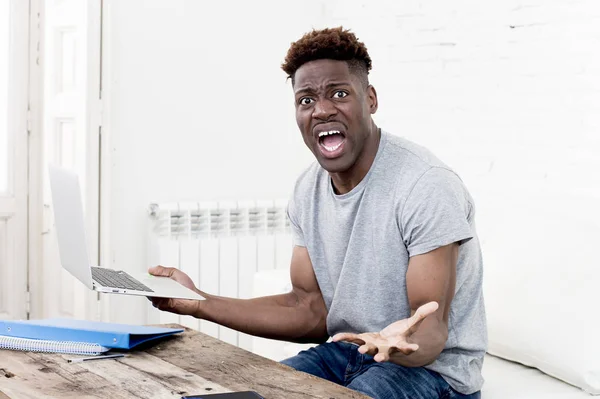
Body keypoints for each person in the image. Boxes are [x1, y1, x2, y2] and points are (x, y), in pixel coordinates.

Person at [149, 27, 487, 399]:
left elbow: (430, 327)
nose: (322, 109)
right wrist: (199, 302)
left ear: (370, 99)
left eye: (339, 94)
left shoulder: (424, 185)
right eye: (306, 100)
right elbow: (308, 309)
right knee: (242, 394)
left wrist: (398, 342)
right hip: (346, 353)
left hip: (432, 374)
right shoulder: (306, 189)